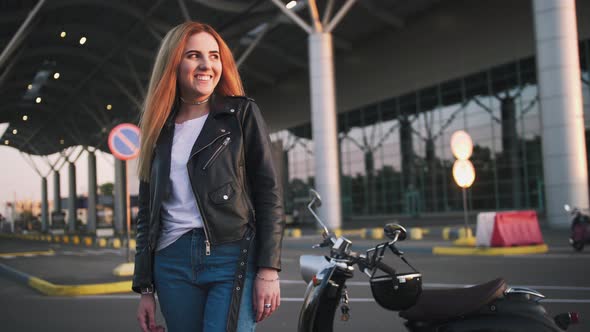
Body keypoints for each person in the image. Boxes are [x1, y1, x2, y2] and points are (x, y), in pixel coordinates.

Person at [132, 21, 284, 332]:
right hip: (171, 262)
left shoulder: (241, 114)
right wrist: (145, 288)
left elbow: (269, 193)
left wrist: (269, 269)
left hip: (231, 256)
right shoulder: (158, 129)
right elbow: (147, 214)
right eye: (193, 55)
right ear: (173, 63)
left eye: (214, 56)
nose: (206, 65)